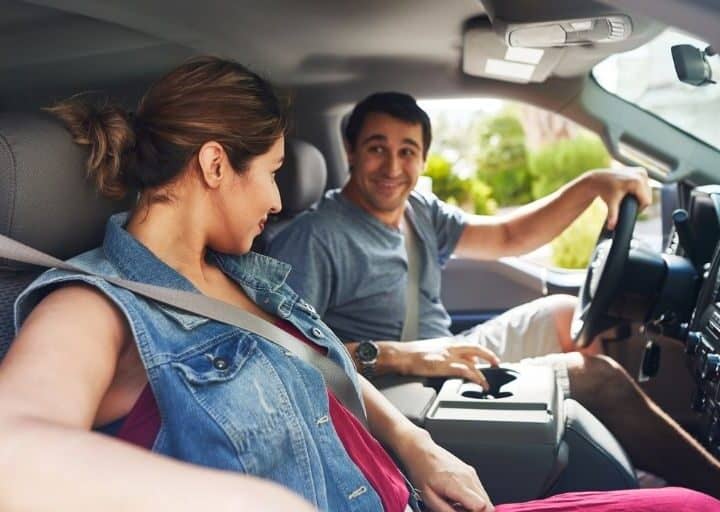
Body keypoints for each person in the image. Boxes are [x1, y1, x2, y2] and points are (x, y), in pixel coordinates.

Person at [0, 58, 717, 512]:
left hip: (405, 493)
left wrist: (415, 444)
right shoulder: (91, 305)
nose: (279, 201)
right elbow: (12, 447)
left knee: (687, 502)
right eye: (274, 171)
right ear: (217, 166)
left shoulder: (247, 276)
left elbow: (323, 361)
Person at [267, 91, 720, 497]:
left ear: (423, 159)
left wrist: (591, 186)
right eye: (376, 148)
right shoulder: (315, 238)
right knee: (598, 378)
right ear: (351, 150)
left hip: (441, 356)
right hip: (397, 385)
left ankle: (610, 459)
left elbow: (505, 235)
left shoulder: (417, 209)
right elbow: (285, 354)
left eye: (407, 151)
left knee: (564, 313)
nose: (391, 167)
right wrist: (403, 356)